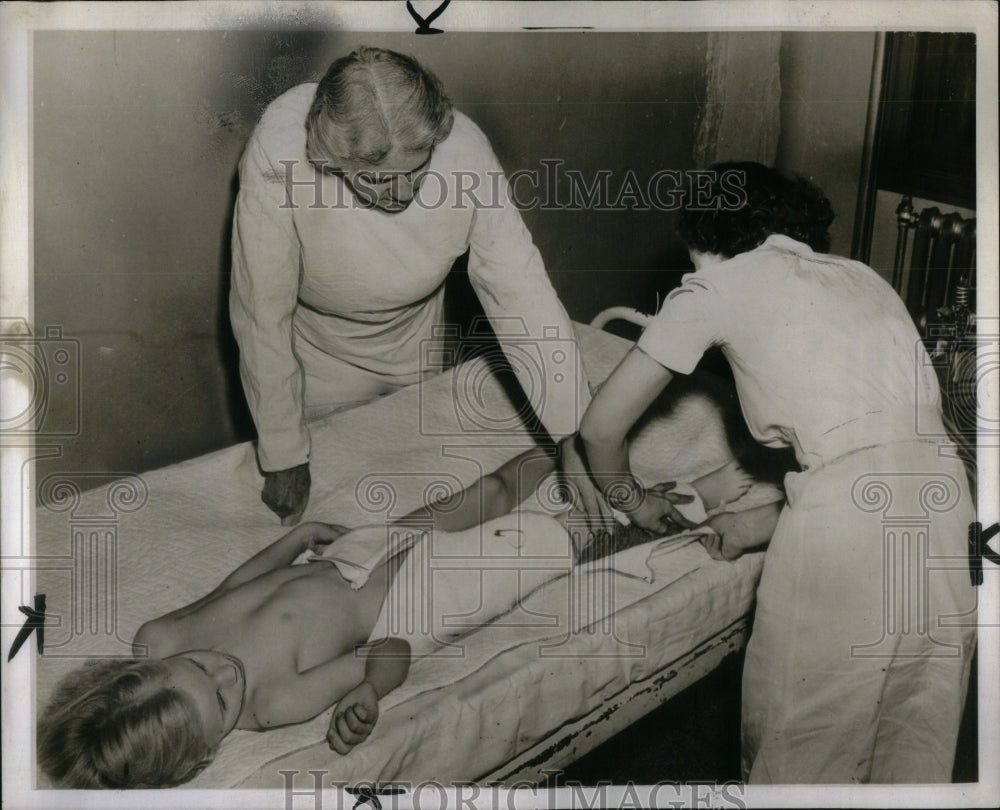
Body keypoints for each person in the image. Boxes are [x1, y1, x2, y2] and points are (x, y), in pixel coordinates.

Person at [37, 438, 767, 789]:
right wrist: (369, 693)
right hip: (421, 596)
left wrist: (288, 545)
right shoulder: (276, 699)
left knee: (498, 485)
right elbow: (388, 650)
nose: (224, 672)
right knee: (563, 539)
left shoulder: (160, 633)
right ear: (205, 753)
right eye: (222, 701)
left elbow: (229, 592)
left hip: (361, 551)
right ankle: (695, 501)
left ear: (140, 665)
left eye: (200, 669)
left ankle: (586, 446)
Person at [578, 161, 977, 783]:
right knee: (915, 744)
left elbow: (600, 429)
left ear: (706, 237)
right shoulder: (863, 277)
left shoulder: (715, 286)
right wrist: (760, 521)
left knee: (802, 753)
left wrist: (631, 501)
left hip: (846, 536)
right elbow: (881, 453)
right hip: (951, 511)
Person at [229, 46, 590, 525]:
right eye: (374, 180)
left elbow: (521, 292)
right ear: (332, 159)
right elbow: (262, 312)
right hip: (317, 356)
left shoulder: (465, 151)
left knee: (418, 490)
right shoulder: (280, 156)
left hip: (416, 339)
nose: (399, 195)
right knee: (342, 508)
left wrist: (578, 435)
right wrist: (282, 449)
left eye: (415, 172)